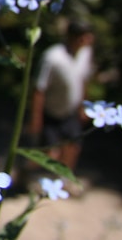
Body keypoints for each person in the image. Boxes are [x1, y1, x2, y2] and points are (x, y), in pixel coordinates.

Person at [28, 19, 95, 173]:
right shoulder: (52, 57)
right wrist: (35, 120)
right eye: (82, 37)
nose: (87, 41)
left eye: (88, 36)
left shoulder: (86, 53)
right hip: (51, 113)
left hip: (71, 112)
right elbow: (39, 89)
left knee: (73, 147)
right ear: (71, 36)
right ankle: (27, 172)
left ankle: (64, 179)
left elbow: (84, 80)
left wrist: (84, 107)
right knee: (48, 152)